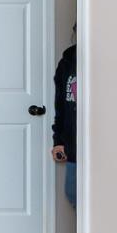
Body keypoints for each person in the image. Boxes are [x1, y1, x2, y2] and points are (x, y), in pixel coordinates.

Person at [51, 33, 77, 207]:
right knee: (72, 193)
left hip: (97, 147)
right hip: (72, 145)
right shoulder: (67, 63)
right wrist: (58, 141)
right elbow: (61, 105)